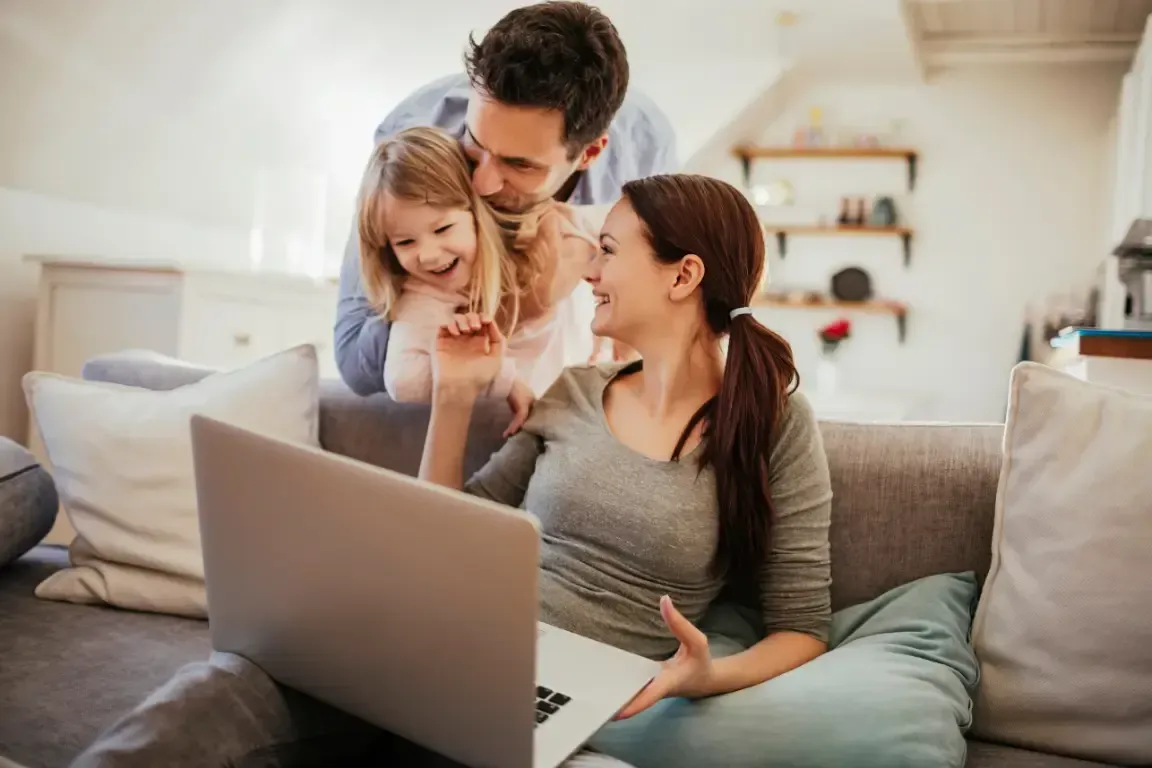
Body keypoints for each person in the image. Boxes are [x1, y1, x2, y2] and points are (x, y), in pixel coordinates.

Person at [72, 174, 832, 767]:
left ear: (682, 274)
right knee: (217, 696)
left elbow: (801, 628)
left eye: (608, 249)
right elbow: (447, 529)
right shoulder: (573, 392)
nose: (589, 270)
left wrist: (702, 679)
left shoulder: (771, 425)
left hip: (556, 694)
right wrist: (458, 396)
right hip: (434, 637)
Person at [335, 1, 678, 397]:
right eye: (474, 144)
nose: (480, 184)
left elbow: (657, 316)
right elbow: (355, 361)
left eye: (520, 165)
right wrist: (515, 306)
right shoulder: (411, 140)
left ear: (589, 153)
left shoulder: (644, 149)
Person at [357, 125, 598, 433]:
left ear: (476, 212)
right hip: (532, 426)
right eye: (405, 242)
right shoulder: (424, 294)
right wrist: (503, 380)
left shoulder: (542, 230)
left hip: (587, 399)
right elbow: (403, 379)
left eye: (442, 229)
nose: (428, 255)